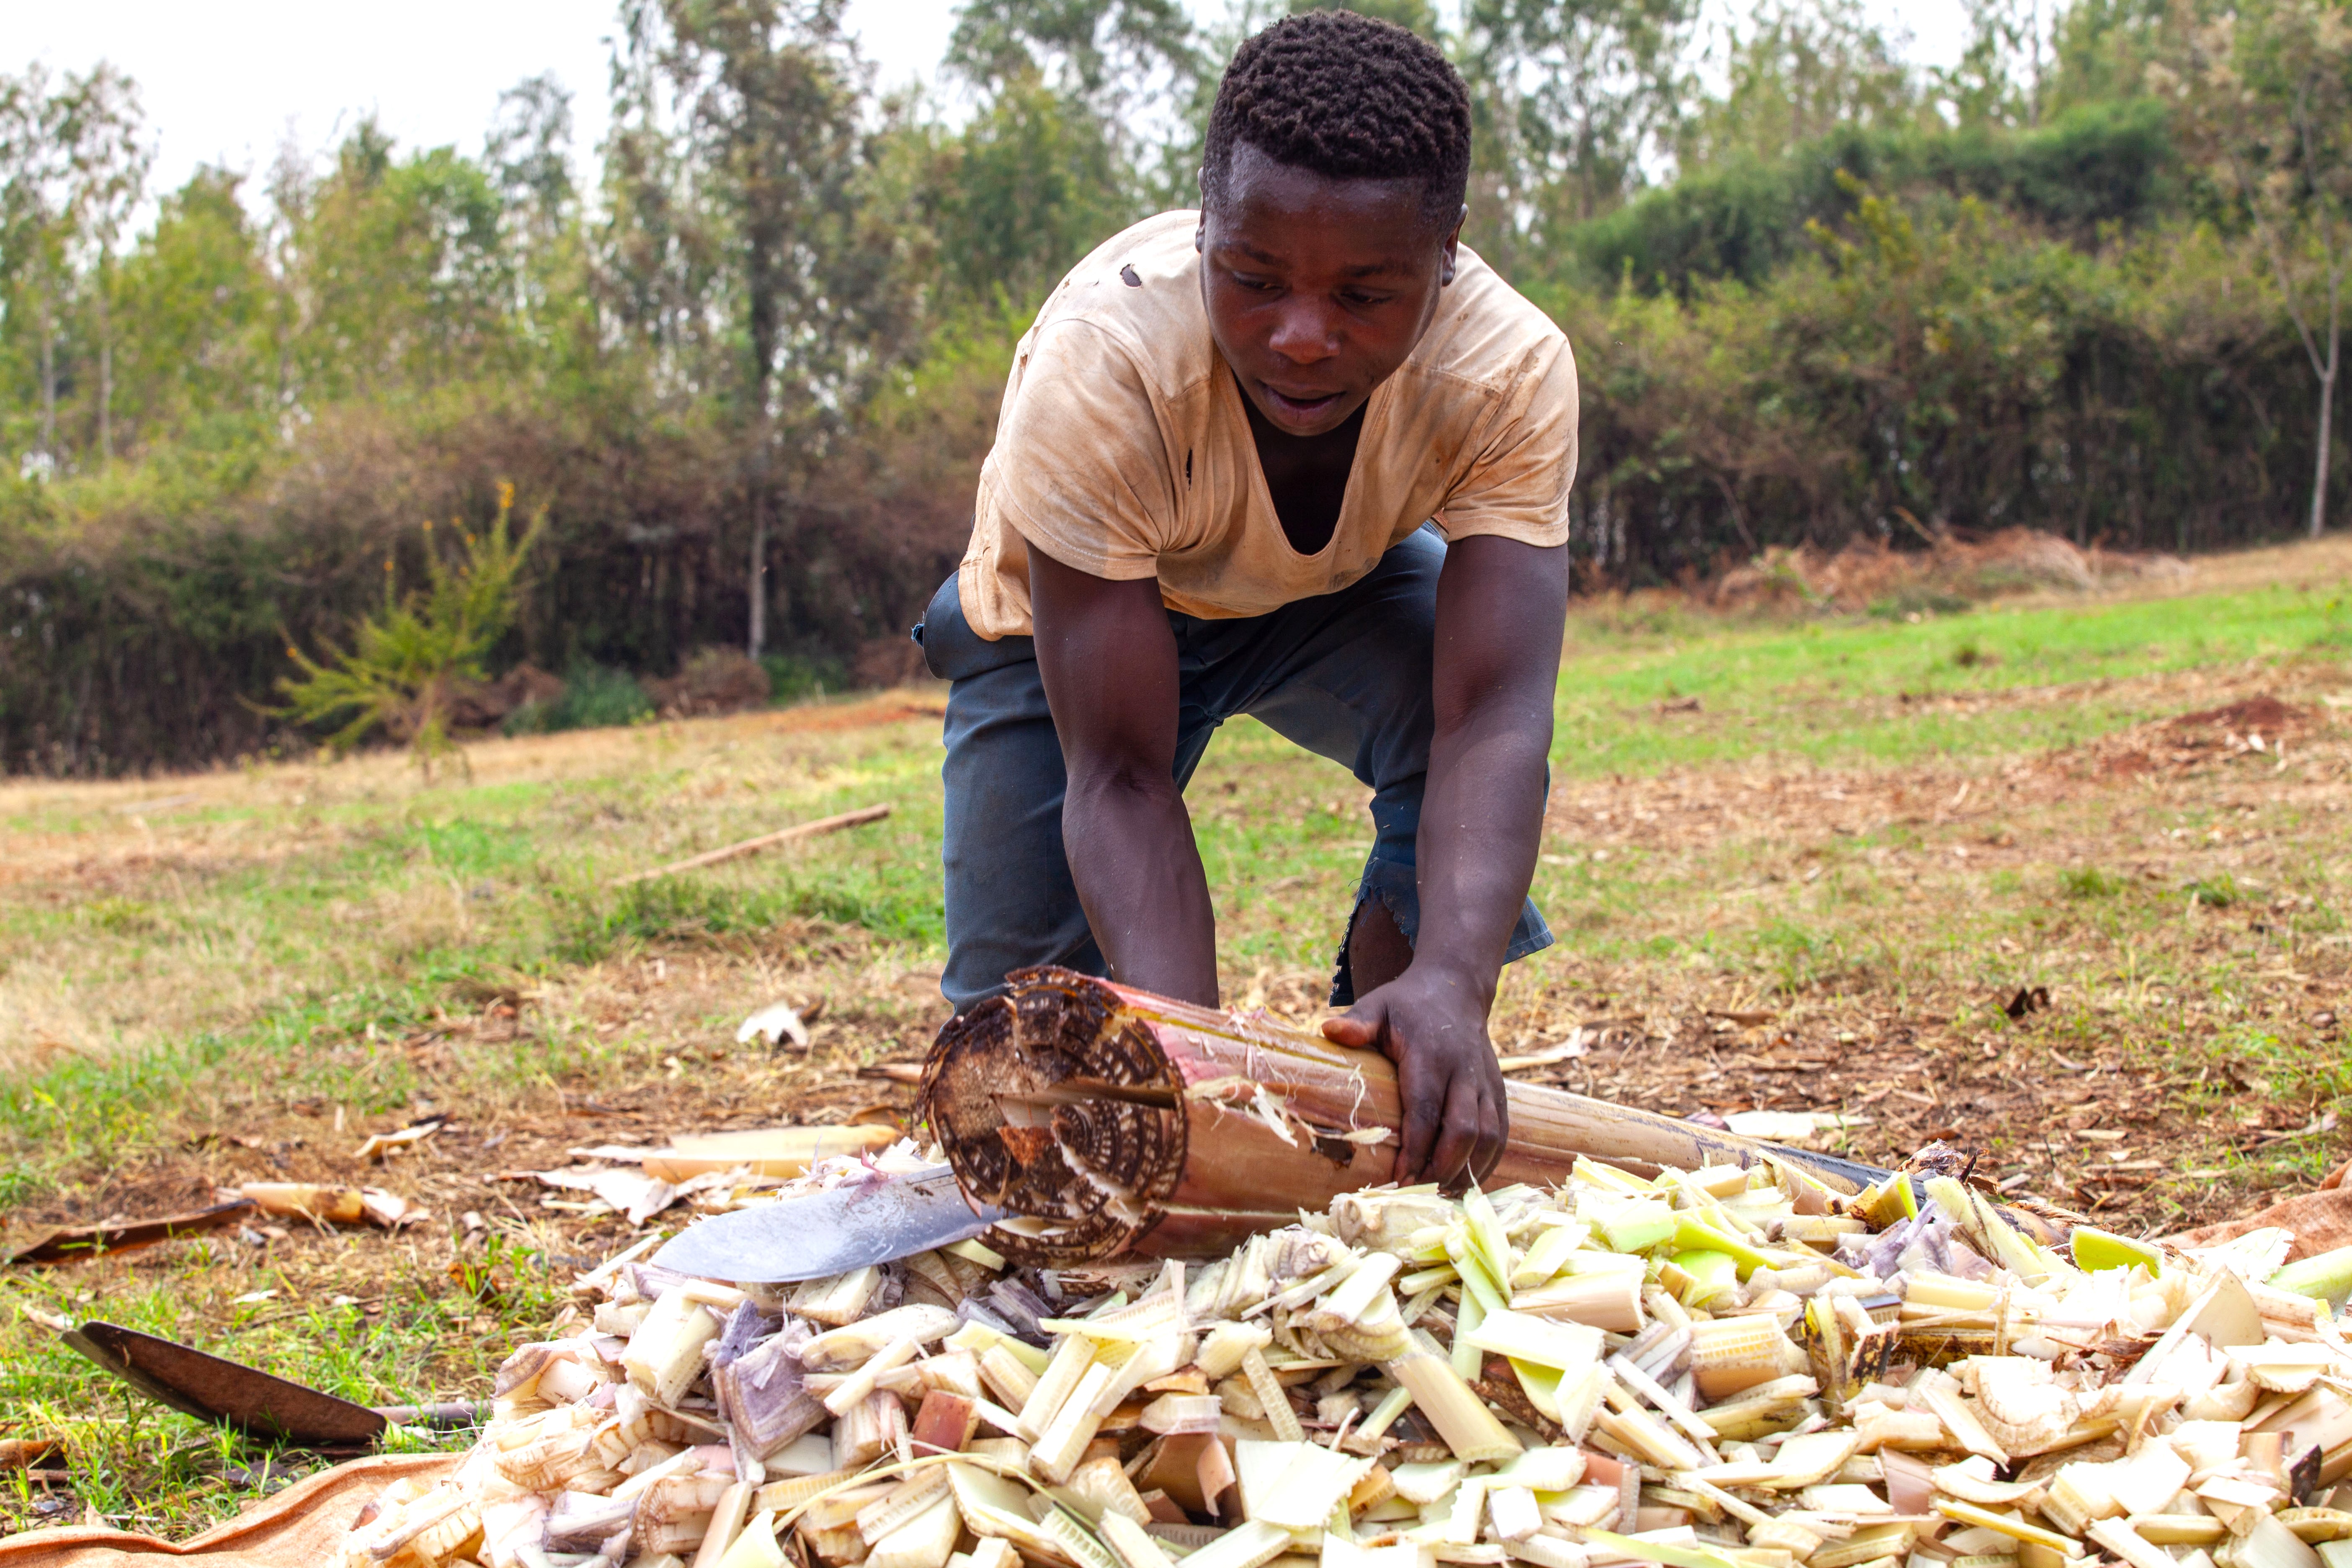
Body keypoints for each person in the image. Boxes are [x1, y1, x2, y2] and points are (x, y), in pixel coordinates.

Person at [913, 8, 1577, 1189]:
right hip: (1064, 636)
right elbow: (1118, 774)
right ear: (1207, 223)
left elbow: (1496, 716)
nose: (1302, 337)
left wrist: (1455, 986)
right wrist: (1192, 1062)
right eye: (1254, 278)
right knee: (1024, 1069)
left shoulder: (1507, 369)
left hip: (1329, 595)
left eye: (1367, 296)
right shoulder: (1105, 363)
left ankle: (1384, 1072)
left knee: (1446, 733)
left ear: (1449, 253)